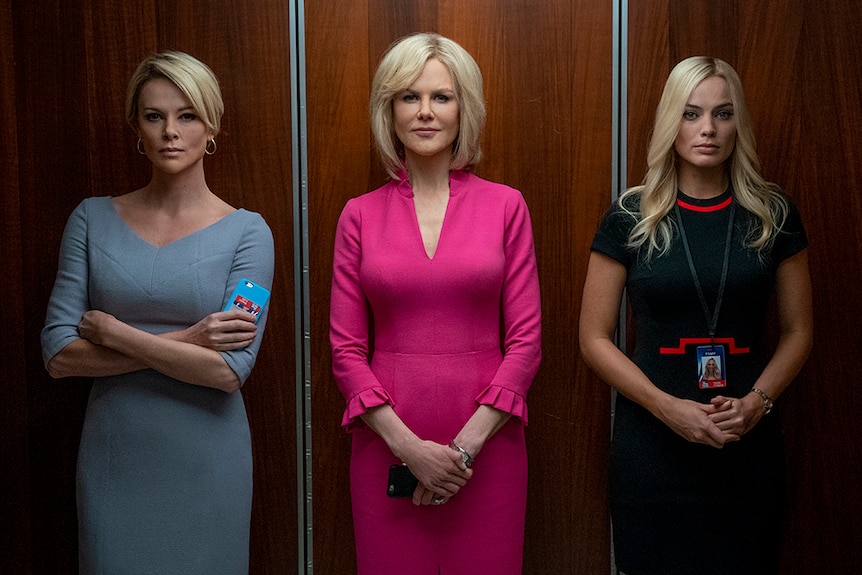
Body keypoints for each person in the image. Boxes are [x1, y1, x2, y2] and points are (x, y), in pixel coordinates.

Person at [41, 51, 274, 575]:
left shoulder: (250, 233)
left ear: (211, 124)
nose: (170, 131)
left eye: (186, 114)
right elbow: (58, 354)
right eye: (154, 116)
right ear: (137, 128)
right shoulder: (90, 218)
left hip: (208, 462)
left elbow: (228, 371)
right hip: (114, 460)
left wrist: (113, 332)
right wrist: (191, 338)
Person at [579, 56, 812, 575]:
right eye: (691, 113)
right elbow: (593, 337)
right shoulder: (630, 217)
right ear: (670, 122)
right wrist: (666, 408)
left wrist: (757, 403)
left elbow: (799, 331)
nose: (708, 128)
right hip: (652, 453)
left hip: (747, 447)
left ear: (738, 124)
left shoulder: (773, 214)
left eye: (722, 113)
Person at [329, 32, 541, 574]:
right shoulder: (358, 214)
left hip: (487, 450)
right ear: (390, 110)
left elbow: (526, 343)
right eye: (409, 96)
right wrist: (412, 451)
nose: (425, 112)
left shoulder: (506, 207)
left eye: (441, 97)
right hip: (387, 448)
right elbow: (346, 351)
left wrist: (462, 451)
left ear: (462, 107)